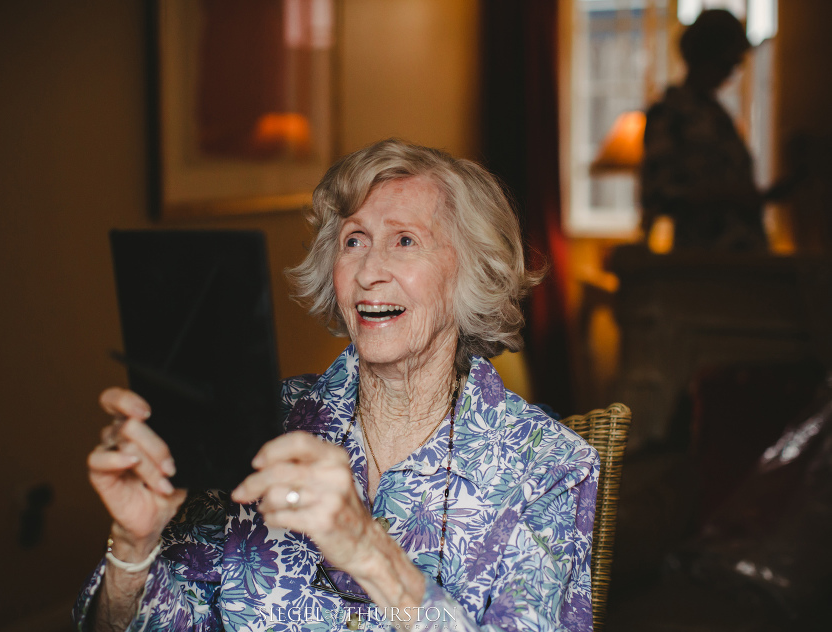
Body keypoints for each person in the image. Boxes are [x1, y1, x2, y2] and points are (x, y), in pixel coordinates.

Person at [74, 139, 599, 631]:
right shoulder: (259, 424)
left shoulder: (548, 468)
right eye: (354, 241)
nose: (370, 270)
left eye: (405, 240)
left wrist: (369, 551)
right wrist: (134, 544)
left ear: (473, 271)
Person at [640, 9, 792, 251]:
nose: (732, 72)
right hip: (703, 262)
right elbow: (658, 194)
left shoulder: (718, 115)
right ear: (704, 56)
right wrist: (728, 196)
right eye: (726, 63)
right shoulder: (670, 114)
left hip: (745, 254)